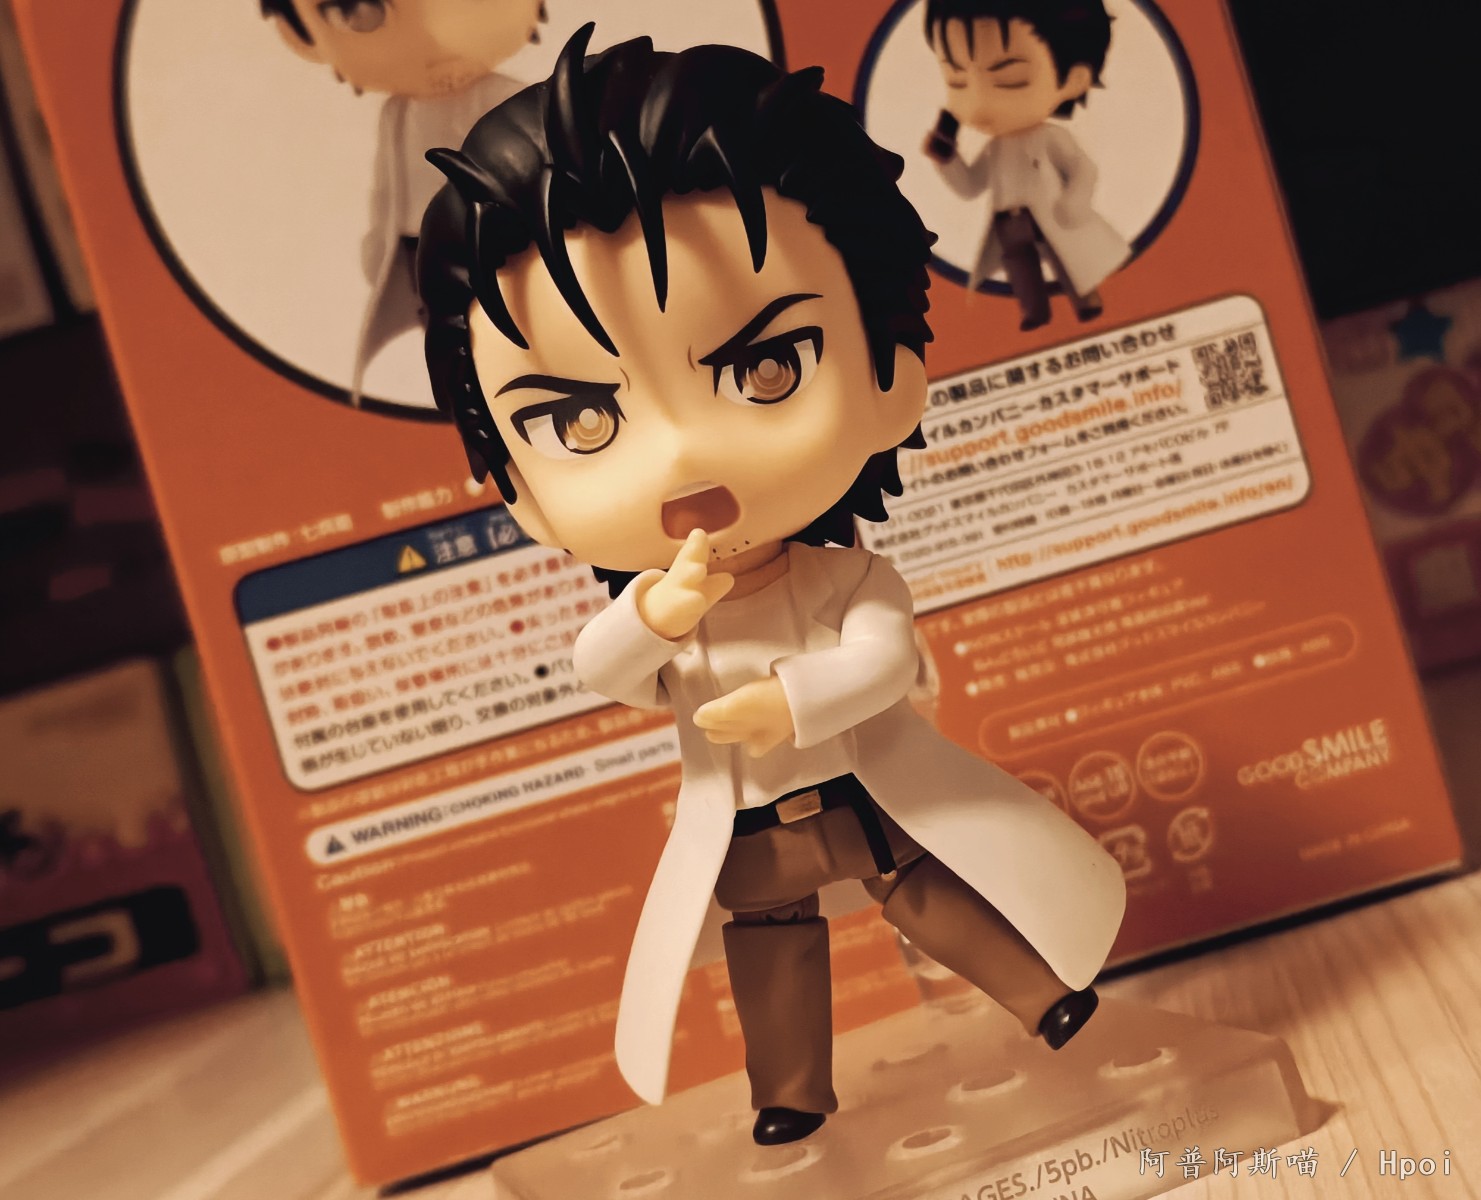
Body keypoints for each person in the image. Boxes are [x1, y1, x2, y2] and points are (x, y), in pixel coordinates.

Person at [418, 25, 1126, 1145]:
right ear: (523, 496)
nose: (682, 459)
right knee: (772, 943)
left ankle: (1043, 998)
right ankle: (790, 1092)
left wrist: (791, 703)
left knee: (925, 893)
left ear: (891, 382)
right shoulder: (668, 609)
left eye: (763, 368)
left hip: (863, 791)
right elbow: (601, 668)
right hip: (746, 819)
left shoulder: (846, 577)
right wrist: (652, 616)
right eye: (579, 420)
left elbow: (883, 660)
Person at [260, 0, 543, 402]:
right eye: (357, 12)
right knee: (452, 331)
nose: (435, 35)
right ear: (300, 38)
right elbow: (388, 186)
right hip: (419, 246)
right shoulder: (398, 113)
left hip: (492, 240)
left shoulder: (509, 99)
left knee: (514, 322)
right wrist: (380, 241)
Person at [923, 0, 1130, 329]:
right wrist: (947, 159)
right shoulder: (995, 147)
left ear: (1072, 80)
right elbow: (972, 186)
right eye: (957, 81)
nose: (979, 103)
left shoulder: (1050, 137)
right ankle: (1034, 311)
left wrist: (1074, 202)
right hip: (1008, 220)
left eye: (1010, 79)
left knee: (1067, 260)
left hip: (1049, 214)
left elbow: (1083, 168)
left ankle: (1086, 301)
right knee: (1021, 267)